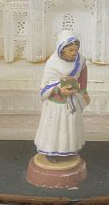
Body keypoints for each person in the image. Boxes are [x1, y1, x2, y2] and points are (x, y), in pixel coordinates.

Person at [34, 31, 91, 163]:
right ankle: (51, 151)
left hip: (72, 99)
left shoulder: (80, 60)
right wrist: (59, 91)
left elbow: (83, 73)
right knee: (55, 127)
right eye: (71, 50)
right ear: (62, 50)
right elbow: (46, 85)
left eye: (76, 50)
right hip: (56, 103)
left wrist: (84, 91)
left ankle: (68, 149)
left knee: (70, 126)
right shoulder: (52, 63)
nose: (74, 53)